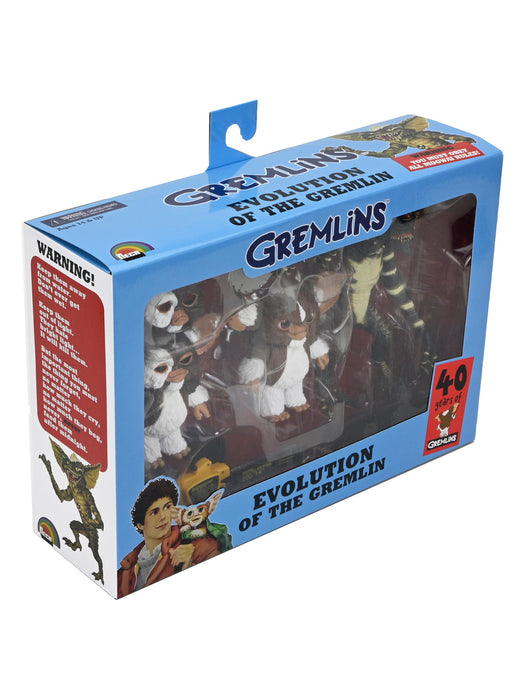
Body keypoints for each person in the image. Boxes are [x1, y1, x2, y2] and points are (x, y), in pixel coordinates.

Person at [117, 478, 219, 597]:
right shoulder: (125, 570)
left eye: (167, 507)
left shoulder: (196, 544)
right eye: (154, 512)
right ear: (141, 525)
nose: (163, 517)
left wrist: (189, 566)